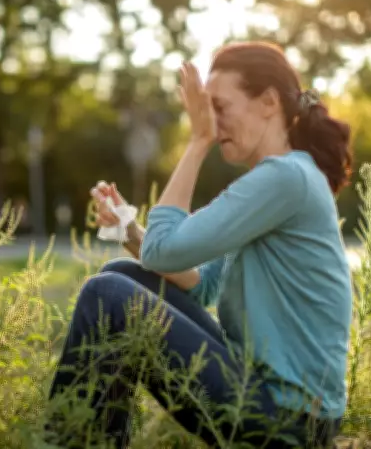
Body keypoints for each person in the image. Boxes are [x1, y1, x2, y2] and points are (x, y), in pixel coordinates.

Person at [44, 42, 353, 448]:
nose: (212, 121)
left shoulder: (285, 179)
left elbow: (164, 251)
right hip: (267, 400)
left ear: (268, 102)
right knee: (120, 276)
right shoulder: (276, 181)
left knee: (107, 295)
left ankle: (71, 443)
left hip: (288, 422)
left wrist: (198, 142)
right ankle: (93, 439)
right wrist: (132, 233)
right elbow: (202, 283)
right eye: (207, 111)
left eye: (220, 107)